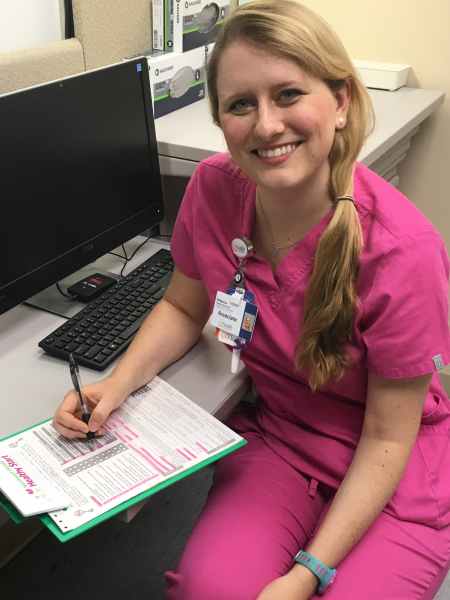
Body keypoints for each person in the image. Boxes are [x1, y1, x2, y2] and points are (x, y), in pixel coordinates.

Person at [53, 1, 450, 598]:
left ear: (341, 101)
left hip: (395, 468)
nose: (266, 126)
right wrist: (117, 384)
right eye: (241, 104)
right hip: (285, 437)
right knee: (209, 590)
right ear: (219, 118)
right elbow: (183, 307)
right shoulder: (213, 189)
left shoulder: (403, 250)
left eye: (288, 94)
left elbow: (388, 439)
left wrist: (306, 575)